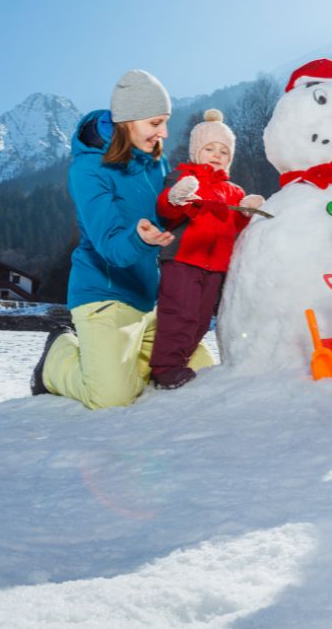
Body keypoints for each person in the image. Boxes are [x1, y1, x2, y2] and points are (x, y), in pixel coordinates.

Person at [30, 69, 210, 409]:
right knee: (112, 398)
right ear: (127, 120)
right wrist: (141, 239)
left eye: (165, 122)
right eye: (156, 123)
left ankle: (121, 363)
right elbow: (111, 245)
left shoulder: (156, 162)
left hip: (148, 297)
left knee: (200, 369)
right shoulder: (87, 170)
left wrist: (182, 206)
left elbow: (163, 218)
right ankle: (57, 356)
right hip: (104, 296)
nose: (164, 133)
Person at [149, 110, 264, 389]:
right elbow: (167, 210)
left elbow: (235, 225)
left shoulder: (233, 191)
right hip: (184, 260)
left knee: (201, 319)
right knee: (180, 313)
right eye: (209, 148)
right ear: (196, 151)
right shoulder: (185, 178)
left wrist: (248, 211)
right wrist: (176, 198)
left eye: (224, 151)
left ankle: (180, 361)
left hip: (215, 267)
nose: (216, 155)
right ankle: (166, 369)